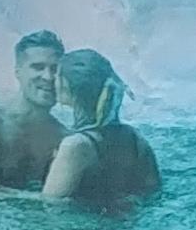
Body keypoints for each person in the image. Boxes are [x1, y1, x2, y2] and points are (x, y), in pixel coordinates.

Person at [44, 50, 161, 210]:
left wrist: (6, 195)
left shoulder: (75, 146)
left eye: (56, 75)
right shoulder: (134, 137)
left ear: (65, 86)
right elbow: (152, 191)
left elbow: (51, 201)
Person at [0, 31, 69, 192]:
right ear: (18, 72)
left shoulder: (63, 138)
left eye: (55, 70)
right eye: (38, 67)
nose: (48, 77)